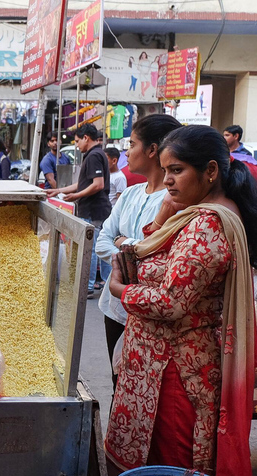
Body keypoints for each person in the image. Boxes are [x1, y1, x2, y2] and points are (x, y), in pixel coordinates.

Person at [105, 124, 257, 476]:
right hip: (164, 366)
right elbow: (155, 246)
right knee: (161, 473)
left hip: (177, 370)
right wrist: (166, 210)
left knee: (172, 475)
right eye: (165, 171)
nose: (167, 180)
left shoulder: (207, 225)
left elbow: (171, 302)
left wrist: (121, 290)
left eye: (176, 170)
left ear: (210, 171)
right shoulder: (192, 214)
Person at [95, 114, 182, 389]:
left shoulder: (175, 200)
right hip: (115, 308)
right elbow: (102, 242)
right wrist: (131, 248)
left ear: (152, 150)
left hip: (147, 309)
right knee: (117, 381)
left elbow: (161, 254)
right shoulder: (131, 194)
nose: (126, 152)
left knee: (142, 385)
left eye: (131, 144)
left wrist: (123, 243)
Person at [46, 124, 112, 298]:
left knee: (89, 249)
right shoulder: (95, 154)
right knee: (100, 245)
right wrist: (60, 191)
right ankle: (106, 282)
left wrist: (76, 196)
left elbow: (98, 184)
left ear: (86, 138)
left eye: (77, 141)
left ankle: (88, 286)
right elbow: (83, 183)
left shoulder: (94, 156)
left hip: (93, 210)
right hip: (97, 209)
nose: (76, 145)